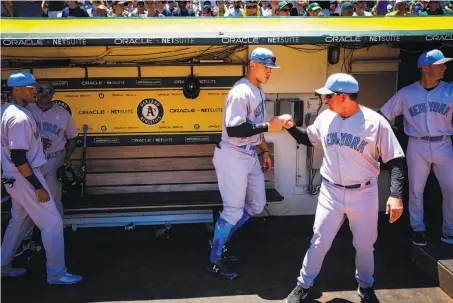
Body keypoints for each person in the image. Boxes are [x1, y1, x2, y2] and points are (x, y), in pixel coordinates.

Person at [284, 73, 405, 302]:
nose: (325, 100)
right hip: (331, 192)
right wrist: (290, 127)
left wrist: (396, 195)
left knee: (365, 245)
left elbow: (396, 160)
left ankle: (366, 286)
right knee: (319, 241)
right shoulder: (325, 118)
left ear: (342, 96)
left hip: (364, 192)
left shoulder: (375, 122)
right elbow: (308, 139)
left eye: (328, 96)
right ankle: (303, 285)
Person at [205, 48, 292, 279]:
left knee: (256, 205)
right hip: (232, 154)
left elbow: (255, 125)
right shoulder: (240, 91)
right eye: (266, 67)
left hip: (249, 154)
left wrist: (264, 150)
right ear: (253, 64)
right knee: (233, 211)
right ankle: (215, 258)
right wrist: (269, 126)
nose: (269, 72)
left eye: (271, 68)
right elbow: (234, 129)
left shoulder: (258, 90)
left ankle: (218, 239)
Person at [1, 72, 82, 285]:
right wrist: (37, 186)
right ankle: (56, 274)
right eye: (31, 88)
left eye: (35, 87)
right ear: (16, 90)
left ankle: (2, 265)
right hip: (24, 177)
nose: (36, 91)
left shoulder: (8, 110)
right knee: (53, 223)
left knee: (18, 221)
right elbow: (18, 156)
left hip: (15, 177)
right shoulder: (19, 117)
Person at [380, 49, 453, 246]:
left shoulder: (450, 90)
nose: (445, 68)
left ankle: (449, 230)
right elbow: (383, 115)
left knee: (451, 189)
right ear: (425, 68)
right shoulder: (407, 93)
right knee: (415, 190)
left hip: (444, 143)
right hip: (417, 144)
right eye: (440, 65)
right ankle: (417, 228)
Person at [14, 80, 79, 257]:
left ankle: (58, 238)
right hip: (30, 163)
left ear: (53, 92)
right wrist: (37, 141)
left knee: (54, 199)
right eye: (40, 89)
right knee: (27, 201)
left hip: (53, 160)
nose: (44, 93)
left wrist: (66, 158)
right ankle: (26, 240)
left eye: (48, 90)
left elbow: (72, 137)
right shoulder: (27, 111)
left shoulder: (62, 113)